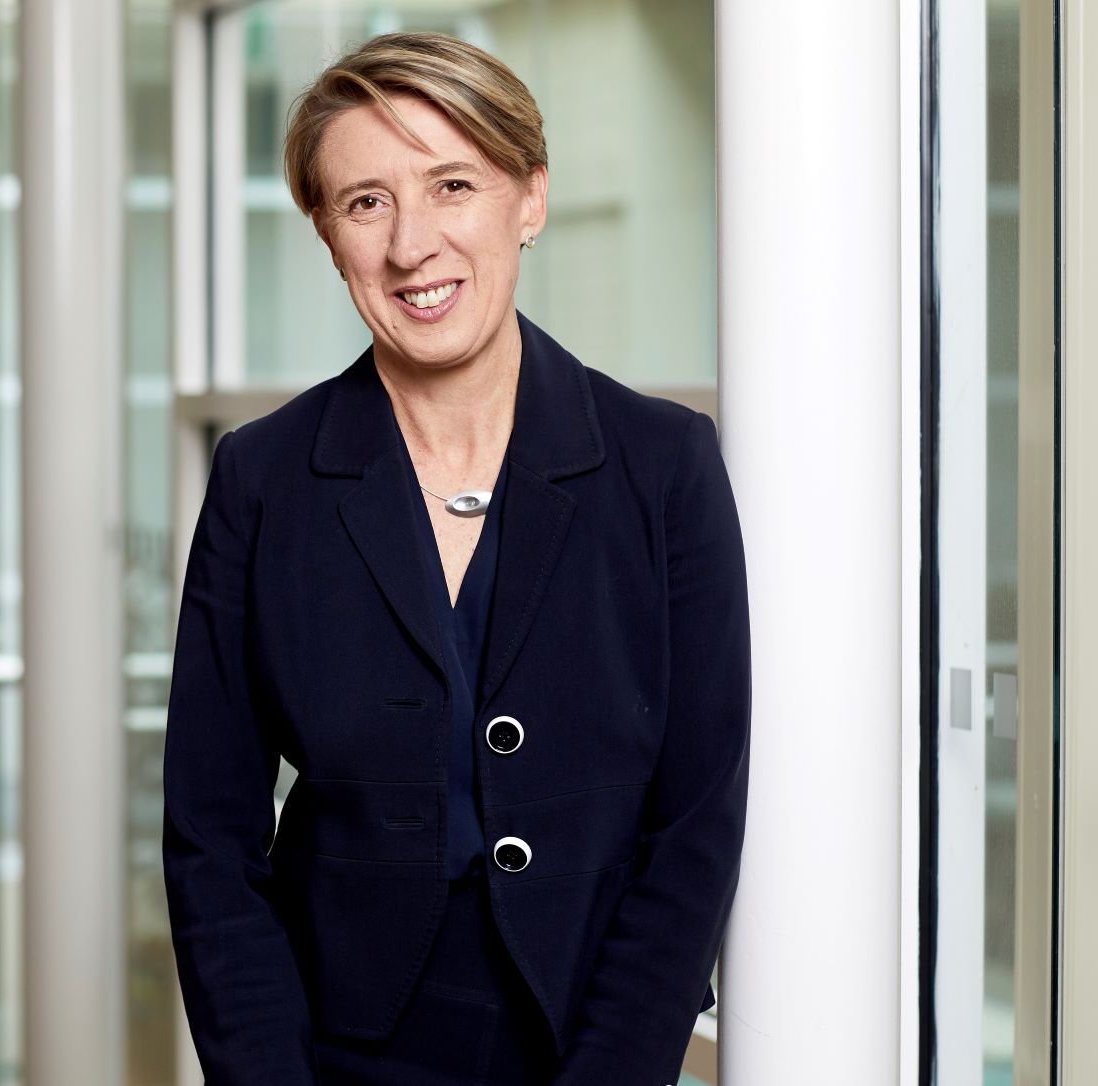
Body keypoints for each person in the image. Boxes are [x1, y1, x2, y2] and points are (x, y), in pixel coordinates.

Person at [161, 30, 751, 1085]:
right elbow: (209, 842)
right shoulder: (262, 483)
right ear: (327, 233)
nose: (410, 245)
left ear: (528, 199)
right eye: (365, 202)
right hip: (333, 1052)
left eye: (451, 184)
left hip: (591, 1040)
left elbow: (694, 824)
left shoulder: (663, 469)